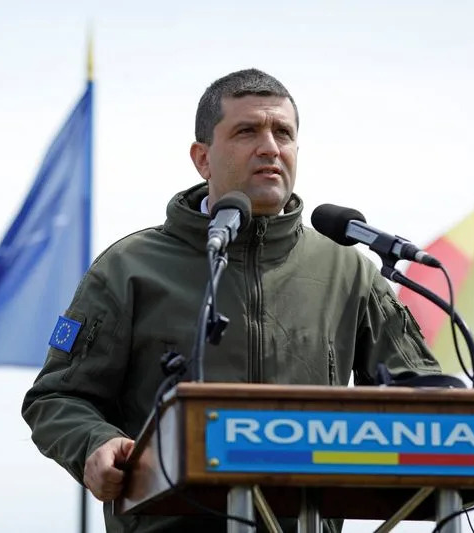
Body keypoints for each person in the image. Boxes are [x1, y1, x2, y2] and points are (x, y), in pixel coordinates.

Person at [22, 68, 441, 533]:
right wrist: (94, 443)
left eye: (283, 133)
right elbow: (57, 397)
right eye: (247, 131)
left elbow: (424, 397)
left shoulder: (350, 270)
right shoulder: (128, 268)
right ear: (202, 158)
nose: (270, 147)